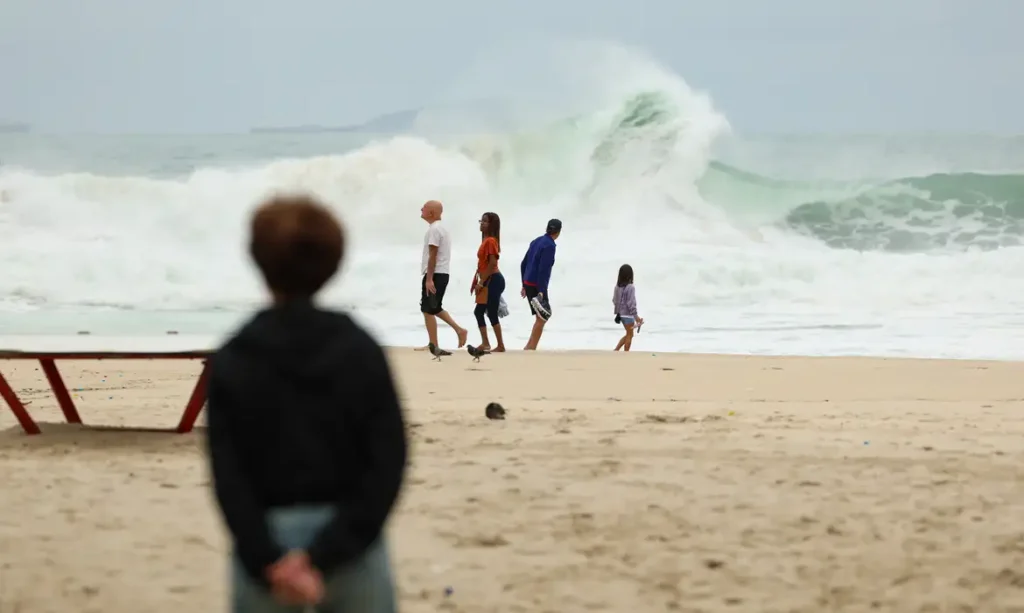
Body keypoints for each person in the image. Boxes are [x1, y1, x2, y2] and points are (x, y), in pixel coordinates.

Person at [205, 193, 407, 613]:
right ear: (334, 262)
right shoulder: (360, 349)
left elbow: (229, 473)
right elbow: (388, 460)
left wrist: (266, 558)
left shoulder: (236, 355)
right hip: (351, 538)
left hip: (266, 538)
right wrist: (328, 552)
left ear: (257, 260)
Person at [419, 200, 468, 355]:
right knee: (431, 308)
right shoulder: (441, 229)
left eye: (424, 208)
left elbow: (433, 255)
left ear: (431, 212)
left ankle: (437, 343)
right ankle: (449, 335)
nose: (421, 209)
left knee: (429, 309)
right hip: (441, 273)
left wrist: (429, 279)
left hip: (436, 273)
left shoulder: (434, 230)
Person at [519, 218, 561, 350]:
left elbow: (523, 264)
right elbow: (543, 270)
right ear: (558, 232)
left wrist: (523, 284)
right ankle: (531, 347)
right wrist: (542, 290)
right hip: (537, 285)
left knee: (540, 317)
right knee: (543, 317)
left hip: (528, 282)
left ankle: (529, 346)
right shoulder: (550, 246)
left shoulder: (536, 241)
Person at [471, 211, 506, 351]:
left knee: (490, 312)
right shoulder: (486, 240)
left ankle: (500, 345)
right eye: (481, 221)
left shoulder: (491, 241)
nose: (482, 223)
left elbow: (492, 264)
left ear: (492, 225)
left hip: (493, 279)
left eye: (485, 221)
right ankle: (486, 343)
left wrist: (481, 282)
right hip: (488, 279)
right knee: (479, 311)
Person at [612, 263, 644, 351]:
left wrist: (618, 311)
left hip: (621, 315)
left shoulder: (617, 287)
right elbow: (631, 303)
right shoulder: (631, 287)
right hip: (628, 315)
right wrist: (636, 317)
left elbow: (614, 300)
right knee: (630, 335)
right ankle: (626, 353)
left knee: (628, 334)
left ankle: (616, 350)